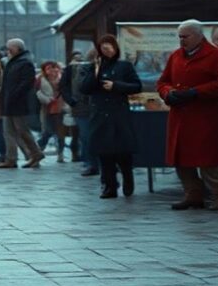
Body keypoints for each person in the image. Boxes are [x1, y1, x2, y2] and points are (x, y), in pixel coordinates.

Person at [156, 20, 218, 210]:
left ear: (199, 35)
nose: (182, 40)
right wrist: (168, 93)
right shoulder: (176, 56)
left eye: (186, 36)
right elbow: (162, 82)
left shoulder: (215, 55)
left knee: (208, 158)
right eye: (180, 37)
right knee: (181, 158)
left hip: (204, 116)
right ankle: (193, 194)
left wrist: (196, 92)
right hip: (179, 116)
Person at [81, 35, 142, 199]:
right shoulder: (93, 67)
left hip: (119, 114)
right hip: (100, 115)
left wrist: (116, 86)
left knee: (123, 152)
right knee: (104, 153)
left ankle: (128, 178)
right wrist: (95, 70)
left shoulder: (124, 66)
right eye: (103, 48)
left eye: (110, 47)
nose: (107, 51)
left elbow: (137, 86)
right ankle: (109, 186)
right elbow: (84, 88)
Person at [0, 39, 45, 168]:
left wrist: (13, 95)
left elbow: (26, 83)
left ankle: (36, 153)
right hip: (8, 102)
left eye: (10, 48)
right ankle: (11, 159)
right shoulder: (13, 61)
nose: (7, 51)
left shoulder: (25, 62)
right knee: (8, 132)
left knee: (22, 131)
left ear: (17, 48)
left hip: (18, 103)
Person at [62, 49, 98, 176]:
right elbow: (64, 87)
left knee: (96, 136)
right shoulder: (73, 69)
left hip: (98, 108)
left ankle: (97, 163)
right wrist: (72, 102)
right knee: (86, 136)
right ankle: (90, 163)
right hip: (81, 108)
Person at [35, 61, 66, 162]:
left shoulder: (62, 78)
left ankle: (60, 154)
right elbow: (37, 93)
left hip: (61, 107)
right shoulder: (40, 79)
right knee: (47, 131)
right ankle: (38, 149)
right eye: (48, 68)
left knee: (60, 133)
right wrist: (47, 99)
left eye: (54, 67)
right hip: (47, 108)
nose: (52, 70)